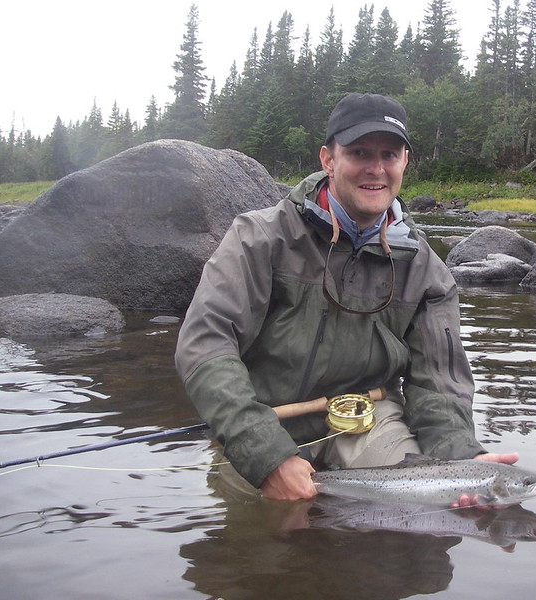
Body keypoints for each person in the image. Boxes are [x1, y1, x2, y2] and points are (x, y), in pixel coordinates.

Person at [175, 92, 518, 505]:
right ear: (328, 159)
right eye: (359, 153)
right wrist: (263, 453)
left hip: (367, 420)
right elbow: (205, 345)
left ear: (405, 163)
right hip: (263, 418)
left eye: (389, 155)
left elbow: (438, 383)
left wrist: (462, 457)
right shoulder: (259, 239)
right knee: (265, 532)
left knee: (424, 514)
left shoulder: (425, 269)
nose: (376, 169)